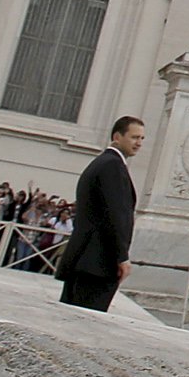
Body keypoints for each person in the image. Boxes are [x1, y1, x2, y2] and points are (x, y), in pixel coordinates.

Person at [57, 115, 143, 312]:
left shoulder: (103, 162)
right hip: (97, 262)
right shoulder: (112, 166)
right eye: (134, 137)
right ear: (117, 136)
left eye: (141, 139)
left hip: (85, 259)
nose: (138, 143)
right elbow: (116, 215)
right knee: (84, 321)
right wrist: (122, 257)